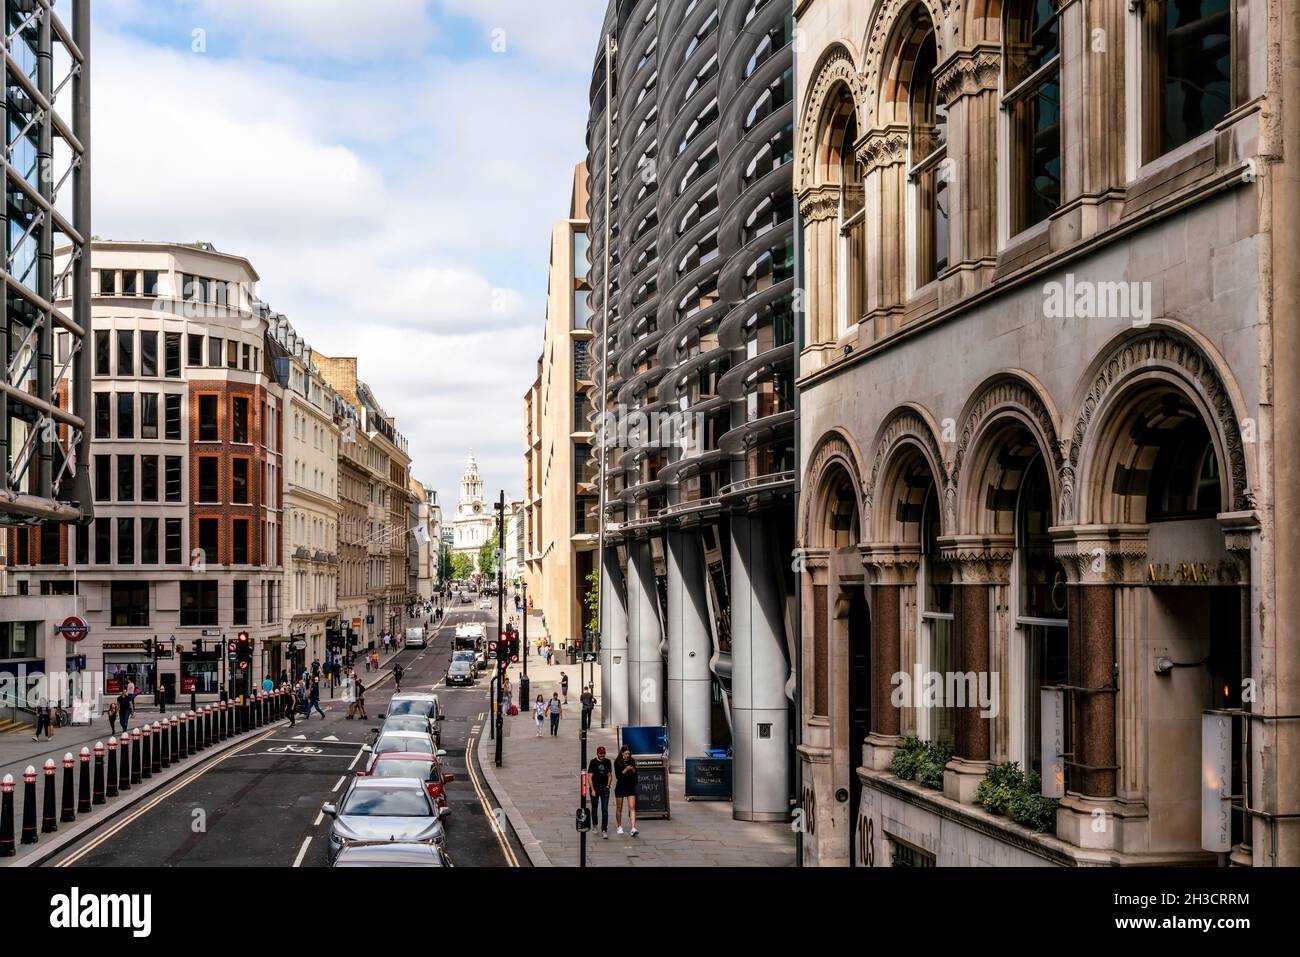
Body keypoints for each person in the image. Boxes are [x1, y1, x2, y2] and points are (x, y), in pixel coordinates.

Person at [587, 745, 613, 838]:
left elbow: (609, 775)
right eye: (600, 753)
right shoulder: (593, 762)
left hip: (604, 789)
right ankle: (594, 825)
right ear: (597, 753)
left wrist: (608, 785)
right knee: (594, 808)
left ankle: (604, 830)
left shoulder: (608, 762)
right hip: (595, 788)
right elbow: (589, 776)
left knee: (604, 810)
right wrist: (592, 789)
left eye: (603, 753)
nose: (602, 755)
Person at [614, 744, 639, 837]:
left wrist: (632, 770)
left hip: (630, 786)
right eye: (626, 753)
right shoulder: (618, 761)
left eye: (629, 753)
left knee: (632, 807)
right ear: (622, 753)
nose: (628, 755)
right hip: (620, 786)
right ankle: (619, 826)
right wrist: (626, 769)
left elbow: (636, 774)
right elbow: (618, 776)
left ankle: (633, 827)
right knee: (619, 807)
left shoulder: (632, 761)